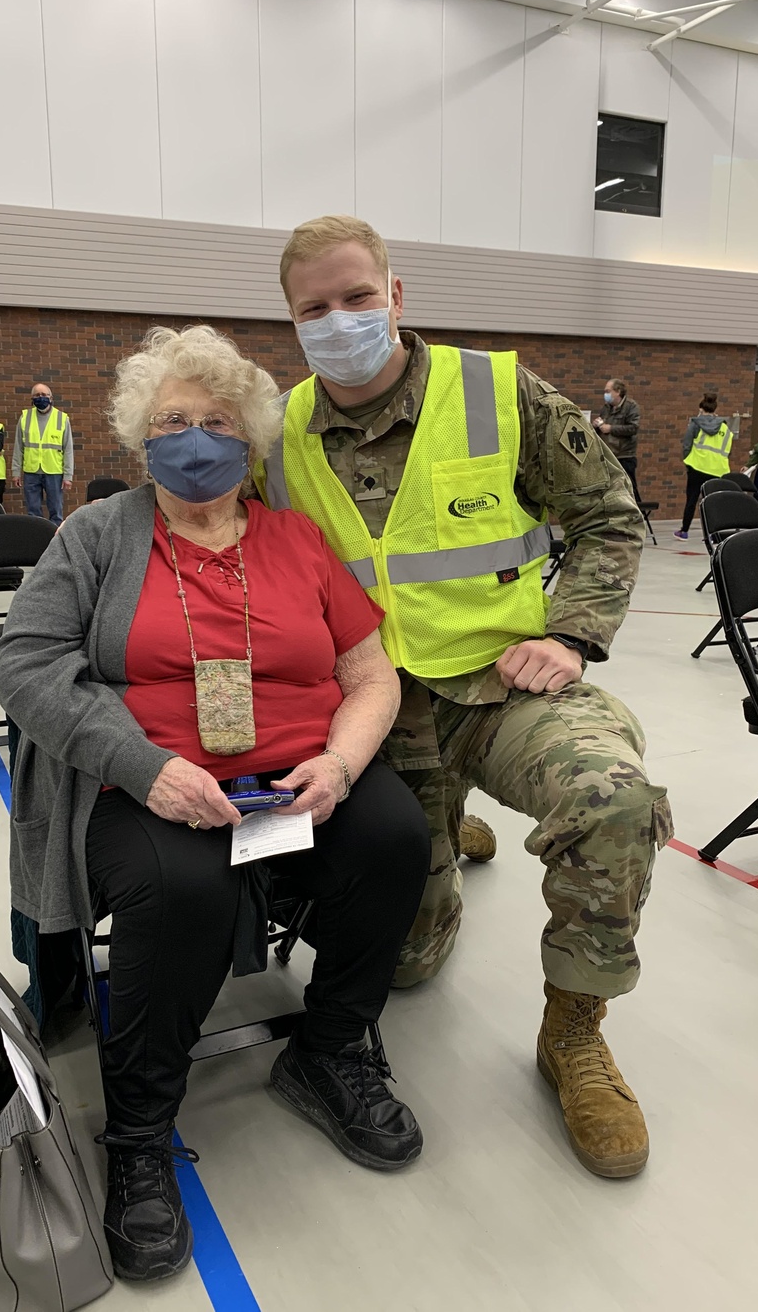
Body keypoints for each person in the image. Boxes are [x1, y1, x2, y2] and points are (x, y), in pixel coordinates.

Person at [0, 326, 430, 1284]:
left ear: (252, 440)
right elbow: (25, 663)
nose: (196, 440)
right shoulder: (96, 535)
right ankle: (142, 1131)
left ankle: (327, 1049)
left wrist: (343, 766)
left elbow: (371, 674)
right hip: (153, 788)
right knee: (182, 889)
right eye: (172, 423)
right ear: (139, 439)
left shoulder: (297, 539)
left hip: (295, 781)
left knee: (397, 835)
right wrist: (144, 765)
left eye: (217, 422)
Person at [258, 214, 672, 1180]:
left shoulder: (493, 391)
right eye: (314, 307)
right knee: (404, 966)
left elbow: (609, 517)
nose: (340, 318)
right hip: (369, 713)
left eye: (358, 296)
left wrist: (570, 634)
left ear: (396, 295)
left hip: (502, 687)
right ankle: (451, 830)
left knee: (612, 797)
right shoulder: (274, 437)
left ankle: (574, 1032)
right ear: (290, 322)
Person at [673, 394, 735, 541]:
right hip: (718, 470)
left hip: (697, 467)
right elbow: (728, 450)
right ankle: (714, 534)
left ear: (701, 409)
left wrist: (688, 462)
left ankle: (684, 531)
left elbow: (687, 445)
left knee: (692, 500)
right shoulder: (725, 427)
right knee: (713, 503)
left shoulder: (695, 424)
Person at [12, 381, 73, 525]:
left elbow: (68, 449)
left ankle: (55, 541)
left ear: (51, 398)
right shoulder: (25, 417)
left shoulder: (62, 418)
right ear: (32, 399)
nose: (41, 397)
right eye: (37, 395)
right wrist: (16, 472)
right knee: (33, 511)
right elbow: (18, 446)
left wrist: (68, 475)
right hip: (31, 472)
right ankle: (36, 539)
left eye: (44, 394)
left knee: (56, 511)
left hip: (54, 471)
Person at [595, 377, 641, 503]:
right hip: (608, 455)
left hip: (624, 455)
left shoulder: (631, 407)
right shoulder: (606, 408)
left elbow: (633, 428)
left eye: (608, 391)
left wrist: (611, 428)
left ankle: (638, 515)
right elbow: (603, 426)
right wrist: (597, 426)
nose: (606, 395)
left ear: (618, 391)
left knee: (629, 488)